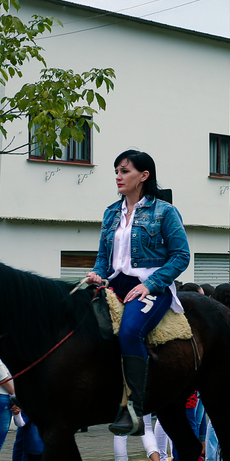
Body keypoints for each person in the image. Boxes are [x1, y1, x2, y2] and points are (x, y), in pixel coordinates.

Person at [86, 149, 191, 436]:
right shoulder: (111, 212)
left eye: (125, 171)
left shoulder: (165, 212)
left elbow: (181, 256)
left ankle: (133, 407)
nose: (118, 177)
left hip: (149, 286)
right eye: (116, 172)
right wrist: (97, 274)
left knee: (130, 331)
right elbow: (103, 258)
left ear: (144, 175)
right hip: (114, 284)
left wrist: (151, 284)